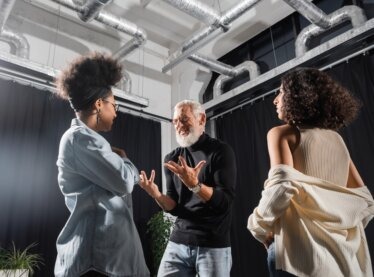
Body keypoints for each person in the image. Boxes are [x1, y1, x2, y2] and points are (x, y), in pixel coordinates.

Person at [247, 68, 374, 277]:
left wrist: (258, 227)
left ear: (297, 96)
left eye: (281, 92)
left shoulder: (281, 134)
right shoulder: (337, 140)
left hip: (297, 257)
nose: (275, 100)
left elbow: (281, 188)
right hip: (341, 260)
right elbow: (365, 200)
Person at [54, 52, 149, 277]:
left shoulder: (92, 141)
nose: (115, 112)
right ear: (99, 104)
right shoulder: (79, 138)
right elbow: (125, 181)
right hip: (96, 262)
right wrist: (125, 159)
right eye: (114, 105)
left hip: (107, 260)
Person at [139, 100, 237, 276]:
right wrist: (156, 195)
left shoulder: (221, 151)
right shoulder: (172, 158)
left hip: (213, 244)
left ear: (201, 119)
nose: (179, 125)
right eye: (175, 121)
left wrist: (195, 185)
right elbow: (174, 207)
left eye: (184, 119)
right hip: (178, 242)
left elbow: (224, 203)